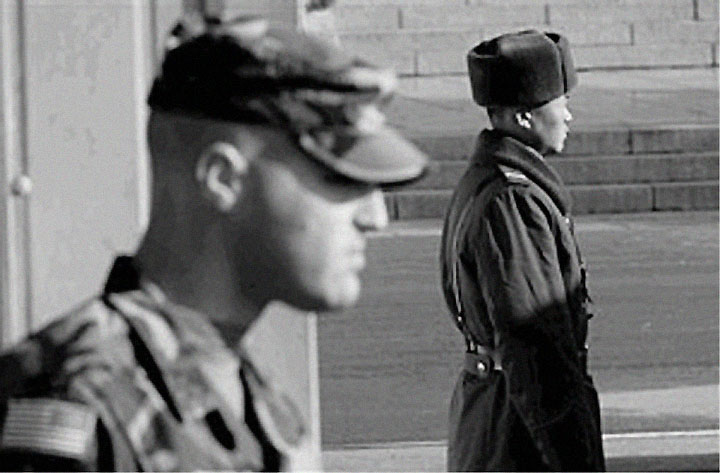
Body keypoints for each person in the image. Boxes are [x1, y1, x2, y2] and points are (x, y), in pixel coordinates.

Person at [0, 14, 427, 471]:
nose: (374, 218)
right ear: (223, 178)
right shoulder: (74, 400)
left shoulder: (260, 402)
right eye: (338, 179)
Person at [440, 30, 605, 471]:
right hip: (516, 436)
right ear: (525, 117)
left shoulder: (494, 181)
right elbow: (534, 344)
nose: (568, 115)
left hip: (498, 416)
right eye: (560, 102)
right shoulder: (513, 201)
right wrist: (572, 458)